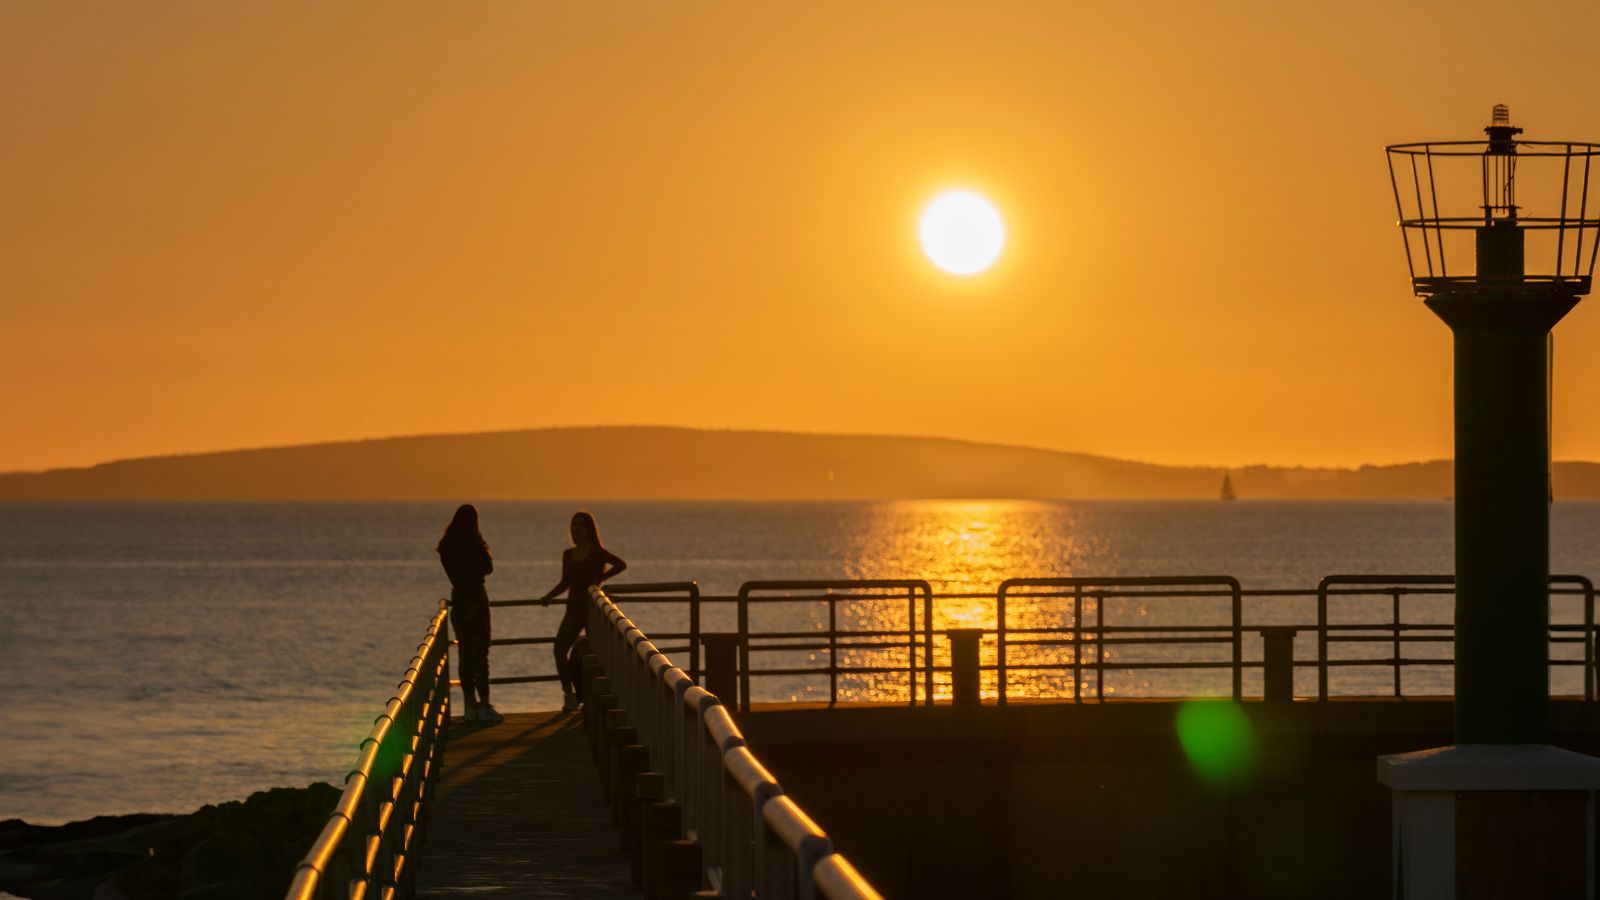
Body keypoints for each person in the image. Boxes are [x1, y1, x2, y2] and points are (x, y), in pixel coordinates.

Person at [541, 511, 627, 713]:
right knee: (559, 649)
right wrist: (549, 596)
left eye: (581, 525)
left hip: (593, 610)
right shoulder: (568, 554)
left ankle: (595, 698)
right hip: (573, 608)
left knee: (596, 654)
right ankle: (568, 694)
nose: (577, 529)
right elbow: (565, 582)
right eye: (574, 525)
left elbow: (621, 565)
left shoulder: (597, 552)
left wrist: (599, 580)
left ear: (589, 529)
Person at [437, 504, 502, 724]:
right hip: (476, 597)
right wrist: (482, 542)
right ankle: (484, 705)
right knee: (480, 653)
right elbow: (488, 567)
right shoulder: (474, 544)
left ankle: (469, 704)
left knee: (465, 654)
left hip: (459, 599)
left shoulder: (447, 547)